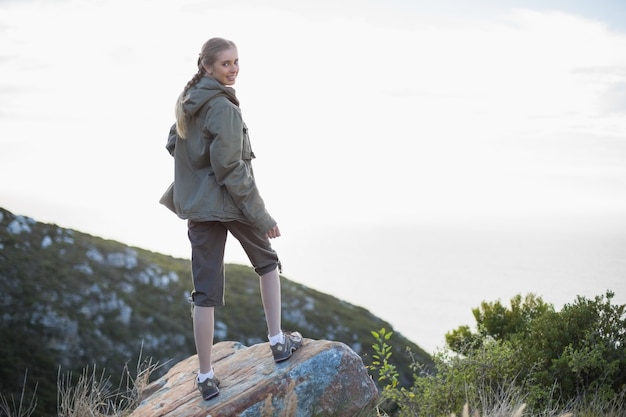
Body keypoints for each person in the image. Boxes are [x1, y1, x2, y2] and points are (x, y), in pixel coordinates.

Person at [160, 37, 303, 401]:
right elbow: (230, 168)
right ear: (207, 66)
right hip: (230, 203)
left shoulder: (187, 102)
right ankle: (277, 341)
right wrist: (262, 215)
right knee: (267, 261)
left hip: (199, 209)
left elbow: (173, 145)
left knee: (204, 293)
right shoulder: (223, 107)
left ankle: (205, 377)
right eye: (226, 63)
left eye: (237, 61)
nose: (234, 68)